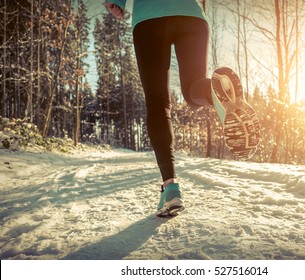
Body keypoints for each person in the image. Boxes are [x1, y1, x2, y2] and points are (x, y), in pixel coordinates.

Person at [105, 0, 260, 217]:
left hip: (150, 17)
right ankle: (215, 93)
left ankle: (170, 188)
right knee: (194, 89)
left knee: (158, 103)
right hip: (191, 14)